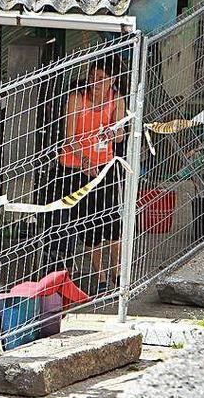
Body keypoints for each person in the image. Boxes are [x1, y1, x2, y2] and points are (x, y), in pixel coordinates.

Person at [54, 57, 126, 294]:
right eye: (93, 77)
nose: (95, 83)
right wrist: (85, 162)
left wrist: (113, 132)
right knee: (89, 223)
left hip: (104, 166)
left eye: (101, 80)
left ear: (112, 81)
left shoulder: (116, 101)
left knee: (112, 221)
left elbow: (121, 136)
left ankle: (117, 272)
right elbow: (68, 137)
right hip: (75, 168)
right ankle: (101, 276)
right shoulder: (76, 99)